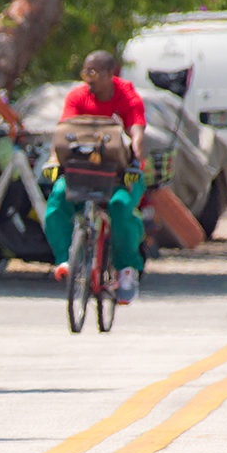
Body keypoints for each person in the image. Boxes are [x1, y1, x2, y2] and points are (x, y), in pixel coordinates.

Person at [43, 50, 147, 304]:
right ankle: (66, 259)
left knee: (120, 207)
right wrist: (54, 160)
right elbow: (63, 131)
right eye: (85, 72)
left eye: (94, 73)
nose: (88, 79)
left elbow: (137, 130)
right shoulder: (77, 96)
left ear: (110, 74)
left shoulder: (127, 96)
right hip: (84, 170)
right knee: (58, 198)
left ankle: (126, 272)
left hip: (121, 174)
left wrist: (136, 155)